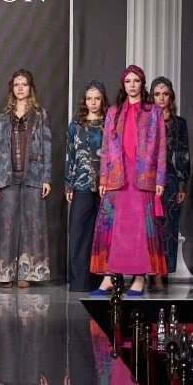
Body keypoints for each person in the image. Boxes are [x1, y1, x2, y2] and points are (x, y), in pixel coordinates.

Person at [89, 64, 166, 297]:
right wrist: (103, 179)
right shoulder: (114, 111)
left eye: (136, 81)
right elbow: (105, 147)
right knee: (115, 227)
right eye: (128, 81)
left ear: (142, 83)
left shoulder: (154, 112)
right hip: (117, 175)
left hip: (142, 175)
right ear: (123, 85)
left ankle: (139, 278)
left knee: (138, 228)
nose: (132, 85)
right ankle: (109, 278)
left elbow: (162, 146)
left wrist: (160, 179)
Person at [0, 67, 52, 288]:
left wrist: (46, 178)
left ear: (30, 88)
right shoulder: (3, 117)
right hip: (8, 175)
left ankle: (27, 272)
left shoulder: (41, 115)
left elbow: (47, 146)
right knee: (7, 224)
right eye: (16, 85)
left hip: (33, 174)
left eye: (24, 84)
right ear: (12, 89)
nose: (20, 88)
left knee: (31, 223)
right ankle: (5, 273)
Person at [63, 81, 106, 293]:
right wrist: (68, 184)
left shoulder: (110, 124)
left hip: (106, 186)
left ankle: (102, 281)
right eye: (89, 98)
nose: (93, 102)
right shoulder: (75, 126)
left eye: (97, 98)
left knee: (102, 234)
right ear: (84, 101)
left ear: (102, 100)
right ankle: (80, 281)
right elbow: (70, 155)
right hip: (81, 184)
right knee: (79, 232)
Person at [150, 76, 189, 288]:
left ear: (171, 96)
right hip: (147, 178)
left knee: (168, 225)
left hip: (171, 179)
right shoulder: (145, 120)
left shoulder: (178, 123)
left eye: (165, 94)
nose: (161, 98)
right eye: (157, 94)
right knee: (151, 225)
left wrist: (182, 183)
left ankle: (163, 271)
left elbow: (182, 154)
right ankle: (150, 270)